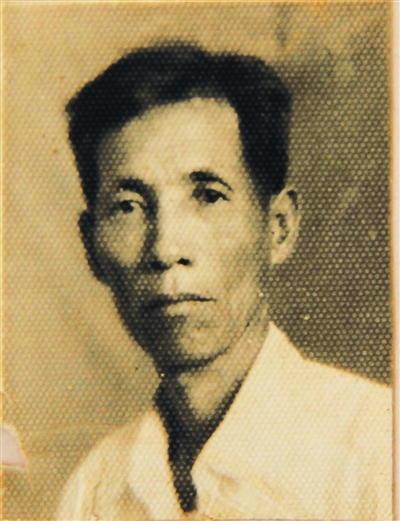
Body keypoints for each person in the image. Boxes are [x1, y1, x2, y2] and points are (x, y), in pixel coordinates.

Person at [56, 43, 392, 520]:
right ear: (92, 247)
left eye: (208, 196)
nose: (166, 249)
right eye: (128, 207)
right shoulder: (93, 491)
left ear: (278, 228)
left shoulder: (379, 450)